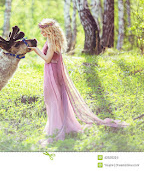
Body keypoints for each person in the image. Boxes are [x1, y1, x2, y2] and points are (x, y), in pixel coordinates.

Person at [28, 18, 129, 146]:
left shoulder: (52, 41)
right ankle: (59, 126)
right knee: (56, 100)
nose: (41, 33)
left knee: (53, 99)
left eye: (43, 31)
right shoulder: (53, 40)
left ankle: (56, 129)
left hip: (52, 73)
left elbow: (47, 59)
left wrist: (35, 50)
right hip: (53, 72)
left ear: (49, 30)